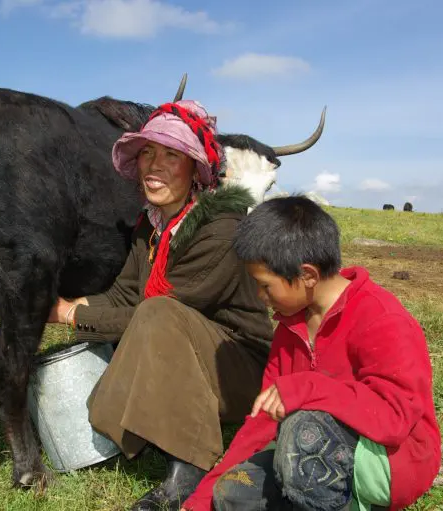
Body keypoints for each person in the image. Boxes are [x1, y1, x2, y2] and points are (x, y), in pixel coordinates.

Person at [47, 99, 274, 510]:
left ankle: (189, 469)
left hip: (238, 367)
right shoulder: (150, 227)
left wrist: (72, 315)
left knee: (159, 313)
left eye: (172, 155)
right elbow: (122, 296)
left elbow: (155, 310)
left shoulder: (221, 230)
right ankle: (145, 427)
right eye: (148, 152)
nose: (154, 165)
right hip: (187, 353)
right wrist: (63, 303)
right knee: (151, 322)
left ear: (197, 170)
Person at [181, 196, 441, 511]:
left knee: (303, 431)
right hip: (319, 453)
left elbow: (394, 419)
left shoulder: (383, 317)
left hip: (392, 460)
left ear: (307, 276)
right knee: (233, 493)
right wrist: (198, 503)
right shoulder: (290, 328)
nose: (261, 297)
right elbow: (262, 421)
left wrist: (307, 388)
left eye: (265, 286)